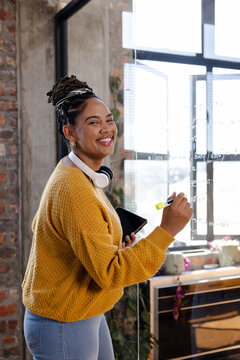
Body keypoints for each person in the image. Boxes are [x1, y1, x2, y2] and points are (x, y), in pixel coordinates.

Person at [22, 75, 193, 360]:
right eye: (93, 122)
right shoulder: (74, 188)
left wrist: (111, 244)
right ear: (70, 133)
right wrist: (167, 230)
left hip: (85, 312)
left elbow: (66, 237)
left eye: (109, 119)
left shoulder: (80, 176)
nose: (107, 129)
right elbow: (110, 273)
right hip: (63, 322)